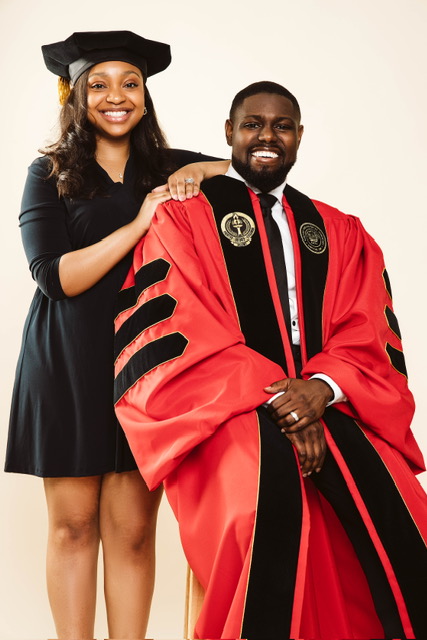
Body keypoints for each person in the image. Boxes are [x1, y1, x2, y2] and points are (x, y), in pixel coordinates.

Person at [114, 81, 427, 639]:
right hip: (225, 408)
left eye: (281, 126)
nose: (267, 136)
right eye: (252, 124)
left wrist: (321, 389)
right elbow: (181, 328)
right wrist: (288, 402)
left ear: (299, 136)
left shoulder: (338, 229)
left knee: (404, 507)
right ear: (228, 133)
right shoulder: (183, 220)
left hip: (329, 401)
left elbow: (366, 329)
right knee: (256, 509)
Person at [4, 30, 229, 640]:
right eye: (98, 85)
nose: (116, 97)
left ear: (145, 95)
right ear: (75, 95)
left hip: (144, 365)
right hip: (65, 360)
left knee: (131, 531)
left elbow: (247, 169)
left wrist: (198, 172)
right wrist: (140, 221)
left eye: (130, 83)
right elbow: (55, 276)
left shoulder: (165, 167)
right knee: (72, 526)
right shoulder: (49, 173)